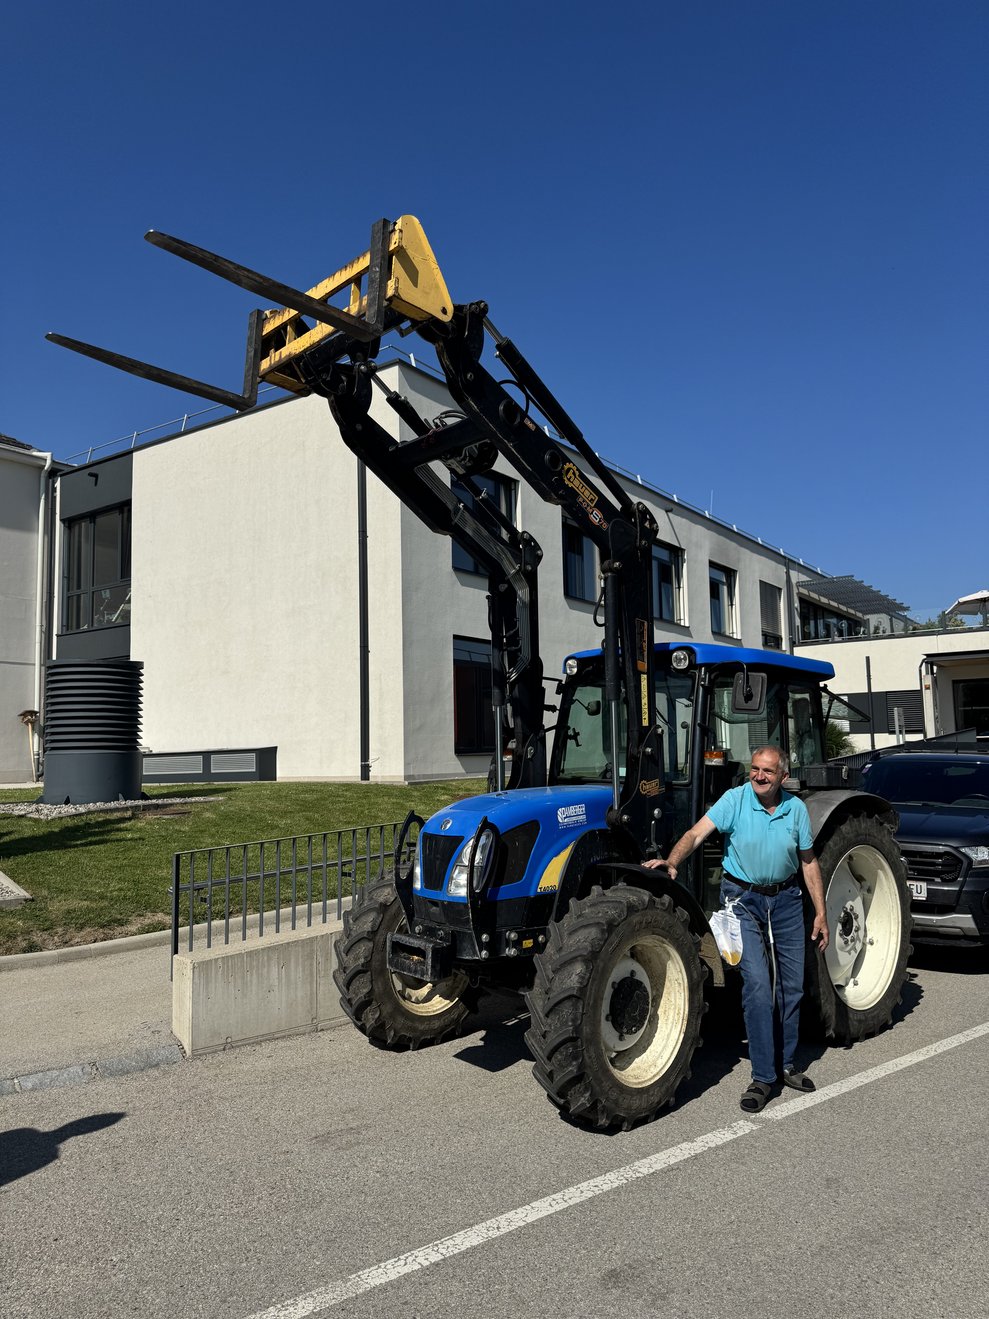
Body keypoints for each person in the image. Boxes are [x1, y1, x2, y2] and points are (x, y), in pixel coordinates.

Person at [644, 745, 829, 1112]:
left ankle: (788, 1064)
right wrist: (673, 860)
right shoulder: (735, 800)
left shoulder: (796, 810)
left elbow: (809, 863)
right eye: (755, 770)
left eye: (768, 772)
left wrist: (821, 913)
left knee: (791, 986)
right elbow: (696, 834)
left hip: (788, 900)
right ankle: (763, 1077)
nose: (759, 776)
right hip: (742, 900)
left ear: (783, 777)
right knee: (759, 986)